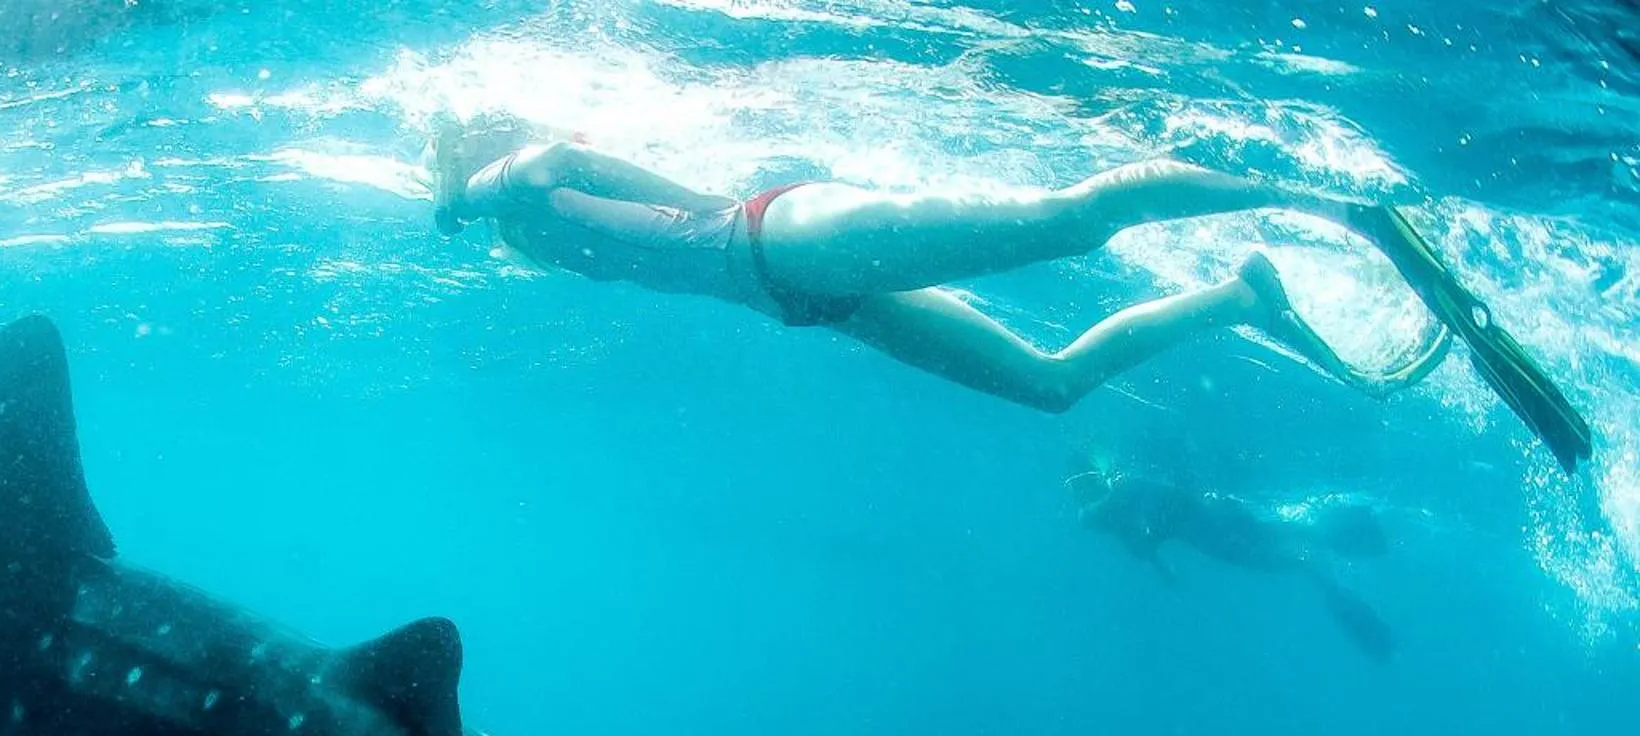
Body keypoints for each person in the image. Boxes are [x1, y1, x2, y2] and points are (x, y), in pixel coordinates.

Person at [428, 117, 1590, 469]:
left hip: (789, 239)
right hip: (799, 292)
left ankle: (1328, 200)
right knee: (1049, 389)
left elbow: (513, 177)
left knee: (1068, 220)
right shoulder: (540, 213)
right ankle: (1240, 294)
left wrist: (454, 191)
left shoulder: (521, 179)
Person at [1067, 462, 1399, 661]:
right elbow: (1144, 542)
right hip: (1216, 528)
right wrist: (1162, 564)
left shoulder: (1120, 505)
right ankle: (1348, 546)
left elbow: (1137, 529)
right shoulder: (1123, 514)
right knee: (1278, 541)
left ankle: (1345, 553)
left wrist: (1161, 551)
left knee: (1281, 547)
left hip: (1215, 531)